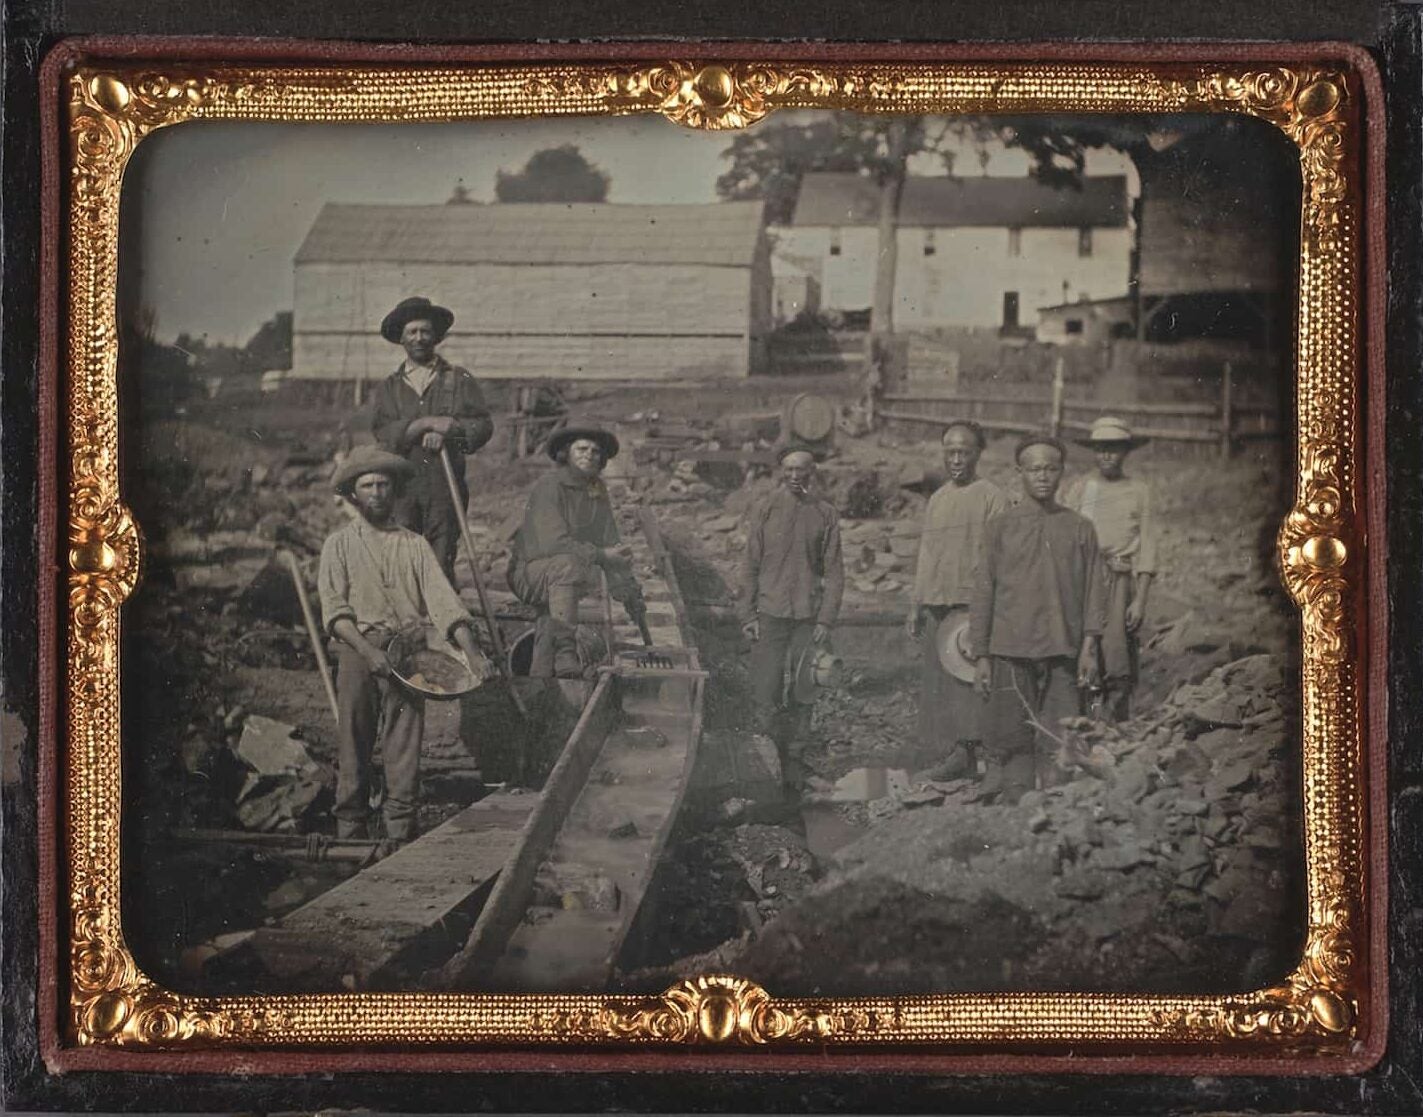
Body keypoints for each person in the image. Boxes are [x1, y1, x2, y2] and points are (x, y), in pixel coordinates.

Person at [317, 446, 494, 844]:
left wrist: (473, 653)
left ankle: (399, 834)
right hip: (357, 649)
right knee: (354, 742)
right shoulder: (338, 545)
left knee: (404, 747)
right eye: (367, 485)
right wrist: (368, 653)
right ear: (353, 494)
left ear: (395, 491)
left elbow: (445, 604)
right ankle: (350, 833)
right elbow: (334, 611)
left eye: (383, 485)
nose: (376, 492)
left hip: (407, 653)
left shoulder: (414, 545)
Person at [968, 434, 1107, 804]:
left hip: (1063, 649)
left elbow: (1094, 589)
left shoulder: (1080, 528)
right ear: (1020, 472)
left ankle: (1057, 807)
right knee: (1011, 734)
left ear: (1061, 472)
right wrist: (982, 655)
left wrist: (1089, 647)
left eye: (1051, 468)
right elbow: (984, 591)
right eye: (1034, 469)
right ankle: (1018, 805)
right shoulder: (999, 527)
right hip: (1011, 650)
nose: (1043, 476)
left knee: (1062, 733)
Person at [740, 446, 845, 799]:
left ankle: (796, 765)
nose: (795, 476)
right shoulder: (765, 508)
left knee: (804, 690)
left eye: (802, 469)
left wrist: (826, 620)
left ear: (812, 471)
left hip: (807, 618)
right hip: (769, 615)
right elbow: (750, 565)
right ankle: (769, 765)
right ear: (780, 471)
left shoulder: (825, 514)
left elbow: (835, 572)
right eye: (789, 469)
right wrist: (747, 615)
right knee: (765, 689)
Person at [906, 421, 1007, 775]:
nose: (956, 460)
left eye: (964, 452)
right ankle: (952, 755)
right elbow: (927, 553)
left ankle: (979, 754)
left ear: (978, 453)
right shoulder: (938, 498)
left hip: (971, 604)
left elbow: (999, 558)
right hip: (938, 600)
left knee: (970, 677)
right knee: (939, 680)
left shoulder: (992, 497)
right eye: (950, 452)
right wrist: (917, 603)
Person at [507, 425, 646, 679]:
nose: (589, 455)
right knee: (568, 566)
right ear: (566, 454)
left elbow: (611, 542)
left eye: (595, 451)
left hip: (563, 574)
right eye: (582, 449)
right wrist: (603, 556)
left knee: (549, 623)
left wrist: (629, 591)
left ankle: (541, 684)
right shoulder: (549, 487)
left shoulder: (596, 490)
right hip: (529, 572)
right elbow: (554, 544)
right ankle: (566, 655)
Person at [371, 296, 494, 581]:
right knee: (403, 557)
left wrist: (451, 430)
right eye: (412, 332)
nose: (419, 338)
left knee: (441, 558)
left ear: (436, 336)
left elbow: (483, 425)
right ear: (402, 338)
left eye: (425, 331)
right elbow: (383, 433)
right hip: (402, 486)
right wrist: (423, 424)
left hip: (444, 484)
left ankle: (443, 608)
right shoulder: (389, 387)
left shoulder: (457, 379)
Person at [1063, 416, 1158, 721]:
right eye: (1101, 448)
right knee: (1083, 646)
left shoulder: (1139, 490)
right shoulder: (1081, 488)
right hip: (1084, 578)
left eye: (1114, 449)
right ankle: (1085, 720)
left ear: (1126, 452)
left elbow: (1148, 545)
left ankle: (1116, 723)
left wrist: (1140, 599)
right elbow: (1067, 538)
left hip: (1118, 580)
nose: (1106, 455)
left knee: (1116, 651)